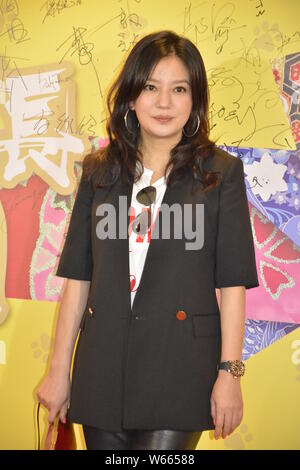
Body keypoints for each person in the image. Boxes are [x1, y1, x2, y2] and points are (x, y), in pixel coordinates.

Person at [36, 30, 259, 450]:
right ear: (131, 95)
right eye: (151, 87)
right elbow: (78, 279)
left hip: (180, 371)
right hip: (101, 370)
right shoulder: (100, 171)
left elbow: (231, 285)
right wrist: (57, 370)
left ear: (194, 101)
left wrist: (229, 374)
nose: (163, 103)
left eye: (179, 89)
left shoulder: (220, 174)